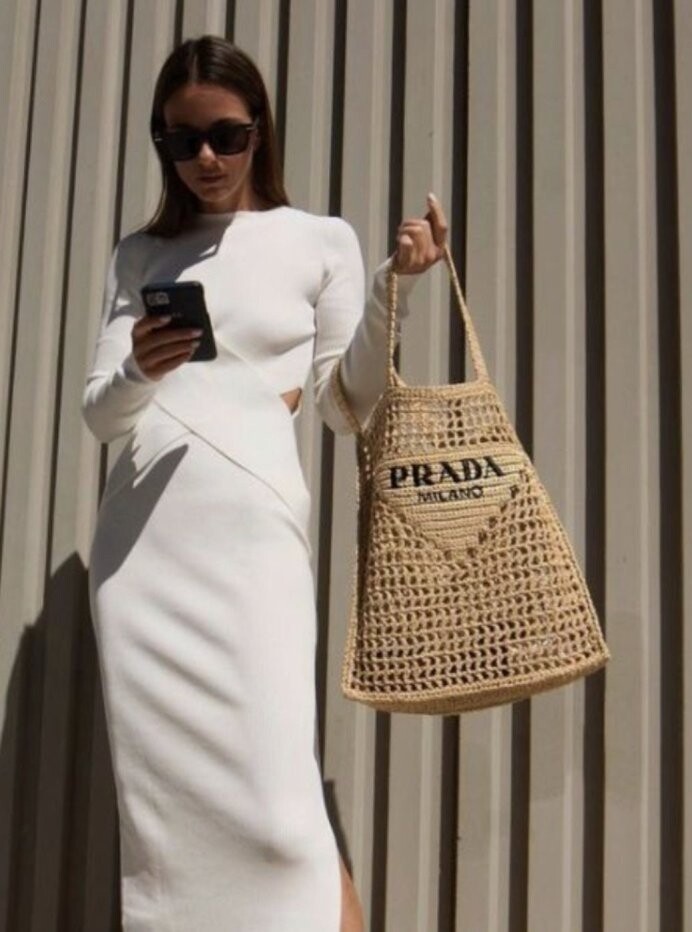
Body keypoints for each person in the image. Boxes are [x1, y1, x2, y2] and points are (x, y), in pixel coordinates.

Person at [82, 34, 448, 932]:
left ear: (260, 131)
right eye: (181, 141)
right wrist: (140, 368)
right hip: (146, 553)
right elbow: (101, 416)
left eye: (227, 136)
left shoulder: (318, 241)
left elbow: (345, 406)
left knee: (285, 827)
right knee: (170, 832)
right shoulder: (142, 255)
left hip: (251, 541)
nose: (205, 158)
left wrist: (394, 289)